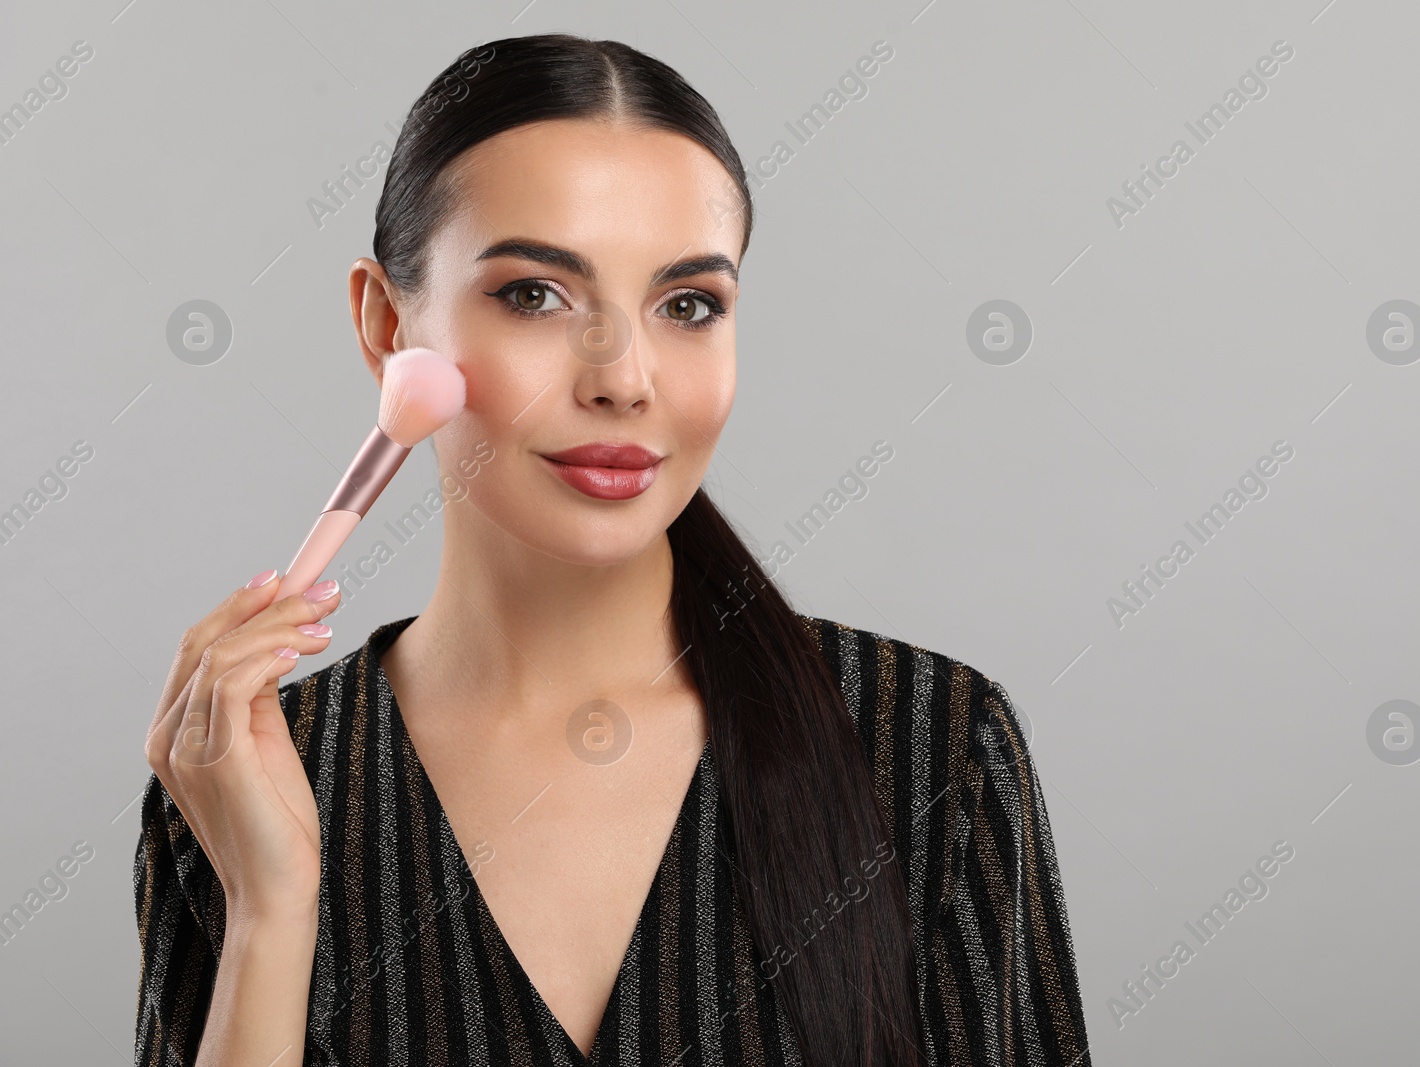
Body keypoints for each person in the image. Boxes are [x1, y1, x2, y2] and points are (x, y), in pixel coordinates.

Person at [135, 32, 1091, 1067]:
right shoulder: (245, 781)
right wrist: (271, 916)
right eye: (534, 294)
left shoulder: (935, 748)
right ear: (384, 322)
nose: (624, 378)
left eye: (688, 306)